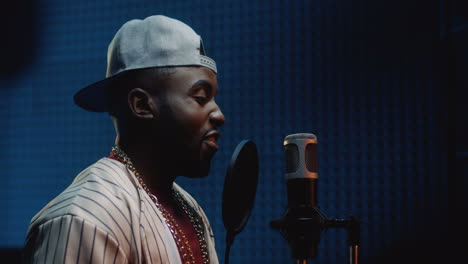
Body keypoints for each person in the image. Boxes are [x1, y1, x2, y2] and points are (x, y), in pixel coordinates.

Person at [23, 15, 225, 264]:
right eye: (201, 97)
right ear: (141, 104)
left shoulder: (190, 210)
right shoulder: (86, 218)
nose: (219, 115)